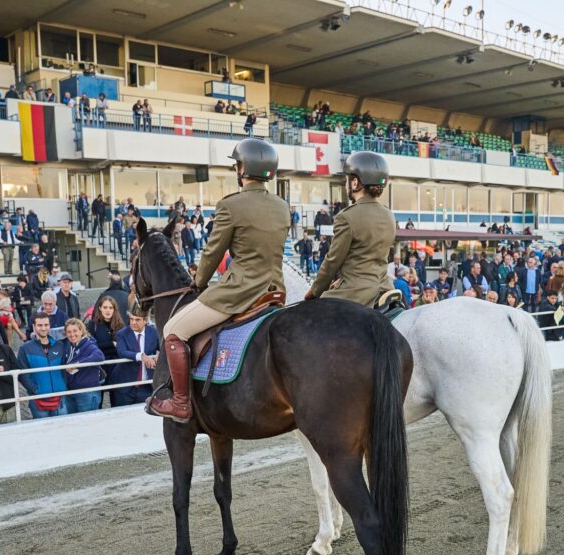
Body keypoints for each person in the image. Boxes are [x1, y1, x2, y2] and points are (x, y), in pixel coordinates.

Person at [150, 138, 289, 422]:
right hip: (274, 290)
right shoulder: (281, 206)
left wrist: (199, 281)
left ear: (242, 168)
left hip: (240, 292)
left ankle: (179, 403)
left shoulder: (231, 205)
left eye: (237, 164)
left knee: (173, 331)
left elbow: (213, 252)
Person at [306, 151, 395, 308]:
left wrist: (315, 291)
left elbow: (333, 261)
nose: (346, 183)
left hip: (356, 292)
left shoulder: (347, 217)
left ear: (355, 183)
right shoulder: (388, 214)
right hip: (386, 287)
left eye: (347, 179)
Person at [17, 313, 68, 419]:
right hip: (38, 399)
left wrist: (62, 385)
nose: (43, 328)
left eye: (46, 325)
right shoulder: (25, 349)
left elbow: (64, 369)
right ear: (34, 327)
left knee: (62, 430)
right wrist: (36, 390)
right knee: (42, 432)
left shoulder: (60, 346)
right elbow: (23, 375)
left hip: (59, 398)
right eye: (40, 325)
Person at [113, 309, 158, 407]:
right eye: (131, 319)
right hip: (126, 386)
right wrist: (141, 356)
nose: (133, 322)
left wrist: (159, 356)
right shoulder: (122, 334)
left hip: (146, 386)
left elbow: (163, 349)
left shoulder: (154, 333)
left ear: (145, 320)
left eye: (137, 320)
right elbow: (122, 352)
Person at [61, 318, 104, 414]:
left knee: (88, 424)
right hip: (71, 391)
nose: (72, 334)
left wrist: (78, 364)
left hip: (87, 392)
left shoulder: (88, 344)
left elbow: (99, 355)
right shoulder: (69, 346)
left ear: (81, 331)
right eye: (69, 332)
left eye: (75, 331)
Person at [86, 296, 123, 405]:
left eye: (110, 308)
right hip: (99, 367)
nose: (108, 310)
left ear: (114, 309)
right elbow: (92, 346)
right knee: (98, 401)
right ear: (100, 308)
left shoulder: (120, 325)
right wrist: (111, 344)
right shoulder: (93, 325)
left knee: (116, 400)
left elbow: (123, 347)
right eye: (105, 307)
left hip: (116, 367)